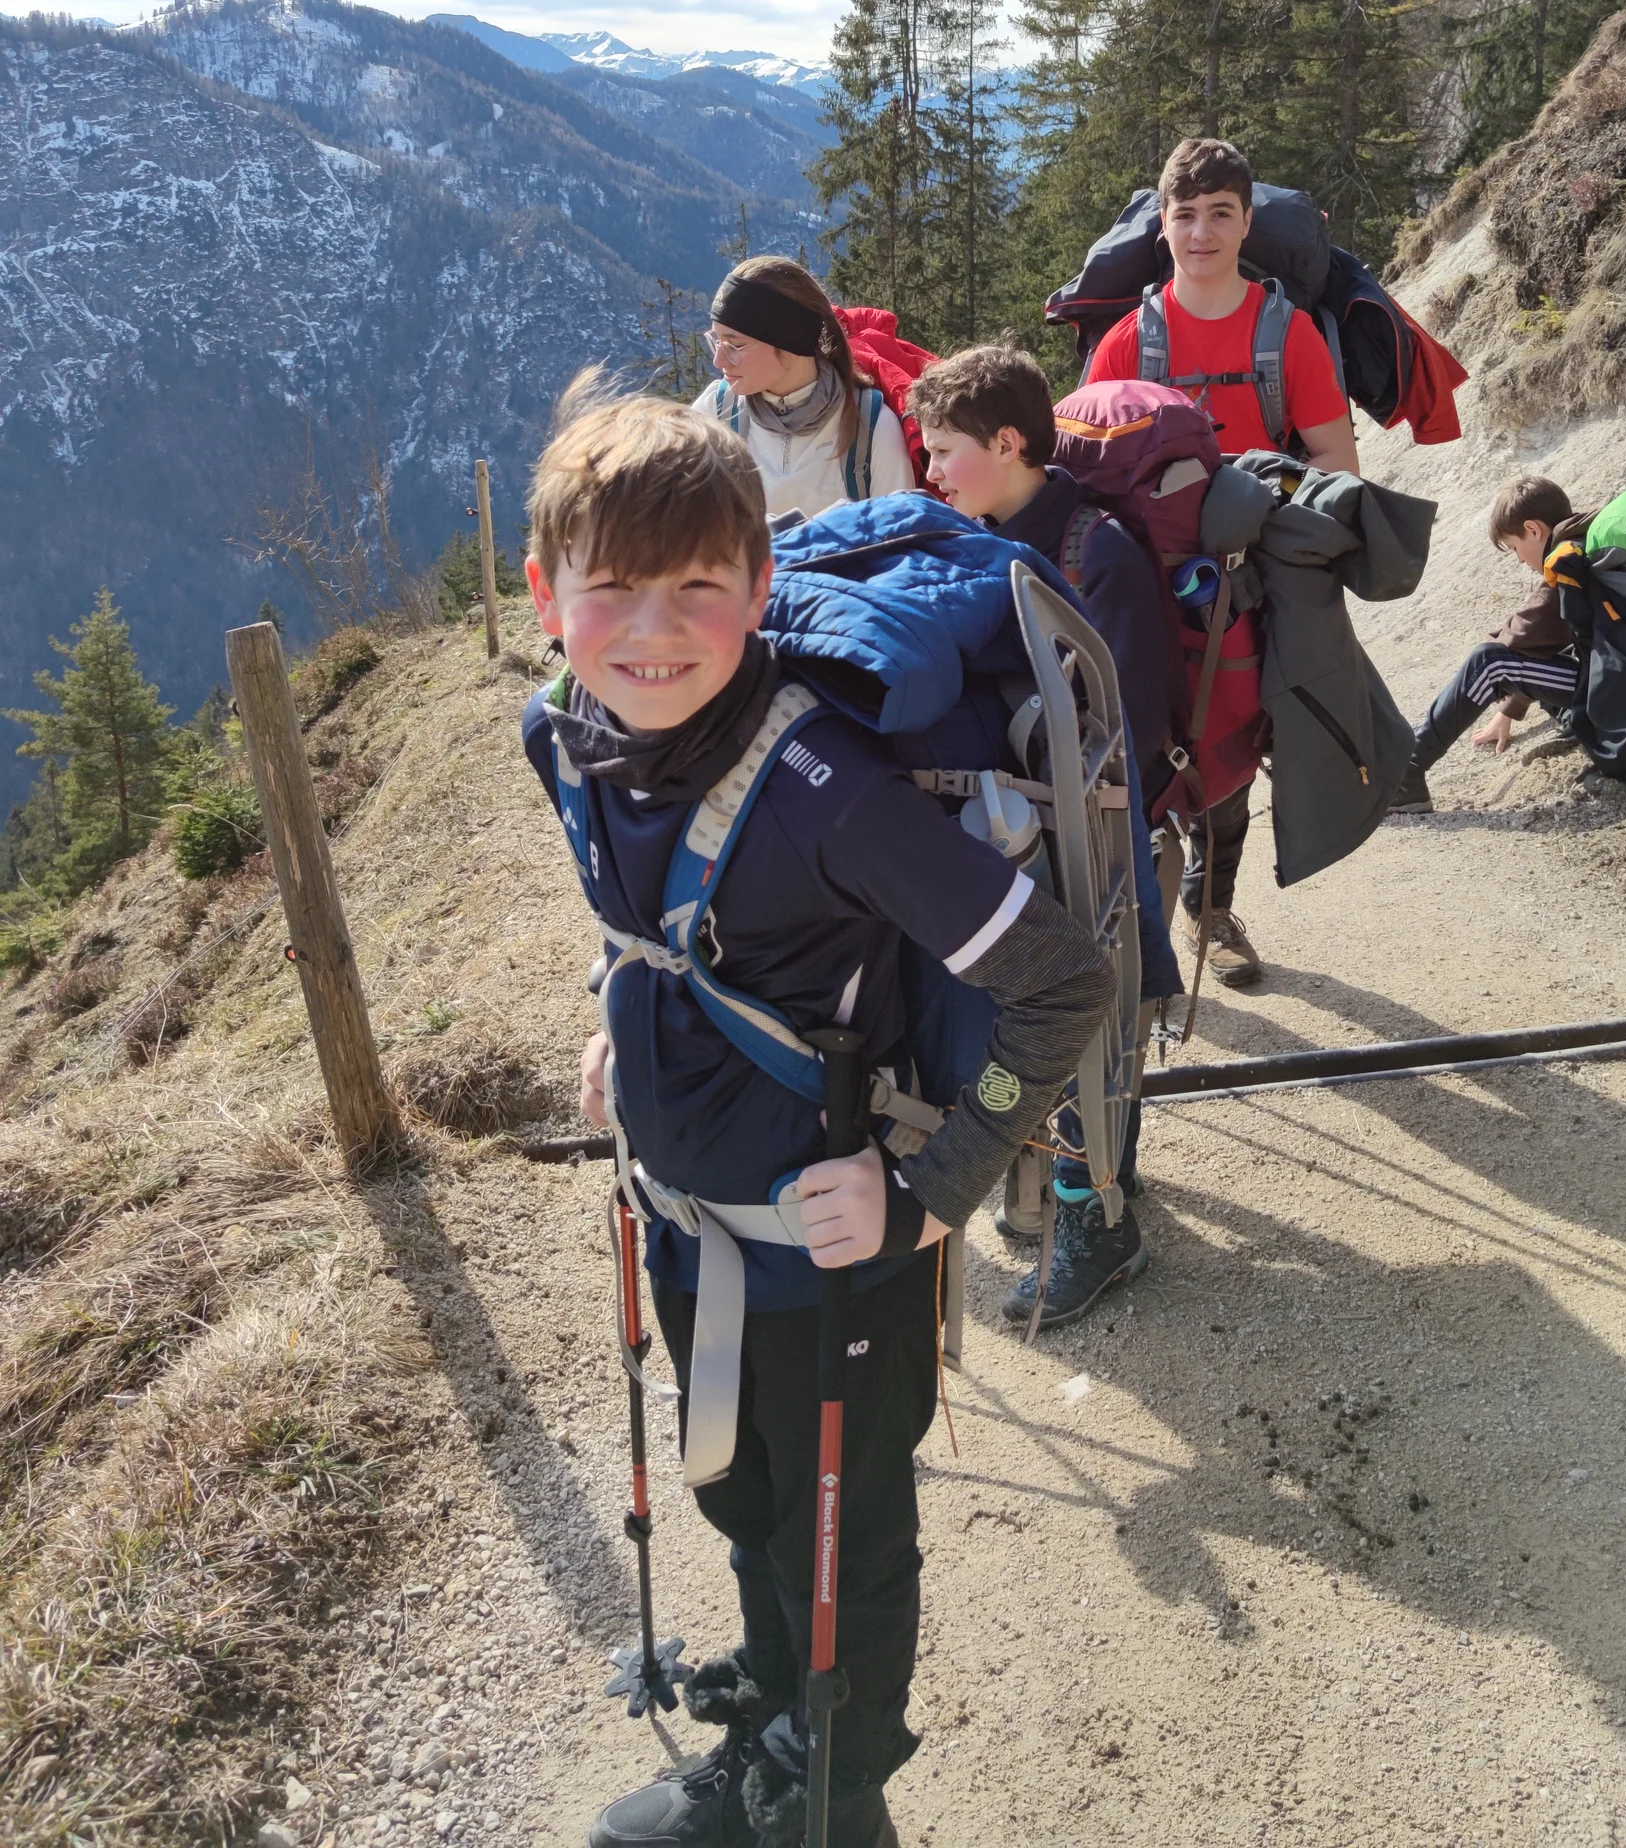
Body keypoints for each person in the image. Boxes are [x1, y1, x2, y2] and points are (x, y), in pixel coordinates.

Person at [520, 383, 1116, 1848]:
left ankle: (832, 1791)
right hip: (689, 1229)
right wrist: (627, 1011)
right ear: (543, 597)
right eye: (612, 589)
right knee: (738, 1489)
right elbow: (647, 919)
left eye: (698, 588)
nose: (653, 630)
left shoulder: (822, 793)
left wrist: (928, 1192)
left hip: (833, 1257)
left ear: (761, 589)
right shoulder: (571, 740)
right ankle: (780, 1700)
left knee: (841, 1539)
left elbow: (1062, 982)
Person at [910, 341, 1181, 1327]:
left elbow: (1131, 721)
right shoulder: (981, 536)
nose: (931, 472)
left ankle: (1103, 1223)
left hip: (1095, 836)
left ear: (1009, 441)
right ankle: (1089, 1185)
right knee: (1047, 1019)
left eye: (944, 450)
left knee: (1093, 1024)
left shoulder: (1090, 547)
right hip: (1032, 823)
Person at [1083, 136, 1356, 987]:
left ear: (1246, 224)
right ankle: (1141, 925)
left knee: (1233, 751)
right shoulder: (1128, 341)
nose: (1201, 233)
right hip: (1148, 585)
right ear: (1162, 226)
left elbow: (1336, 466)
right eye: (1186, 215)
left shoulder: (1290, 334)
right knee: (1142, 743)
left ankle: (1208, 905)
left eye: (1220, 215)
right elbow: (1081, 466)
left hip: (1252, 577)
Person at [1391, 475, 1593, 813]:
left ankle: (1406, 773)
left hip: (1614, 692)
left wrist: (1501, 687)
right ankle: (1404, 755)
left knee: (1489, 660)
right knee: (1503, 661)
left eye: (1515, 547)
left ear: (1533, 529)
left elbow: (1508, 645)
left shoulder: (1565, 563)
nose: (1518, 558)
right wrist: (1509, 707)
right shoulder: (1586, 541)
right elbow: (1538, 647)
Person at [692, 255, 916, 520]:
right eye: (716, 340)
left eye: (735, 345)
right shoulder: (714, 415)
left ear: (790, 342)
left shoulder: (871, 427)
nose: (718, 359)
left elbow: (900, 543)